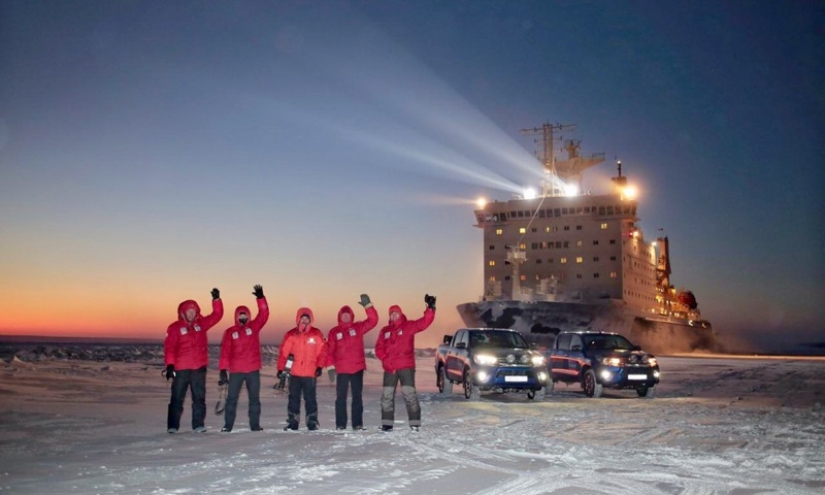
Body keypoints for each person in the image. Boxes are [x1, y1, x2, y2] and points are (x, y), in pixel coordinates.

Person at [163, 287, 224, 433]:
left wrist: (216, 300)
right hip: (181, 369)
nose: (191, 314)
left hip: (198, 368)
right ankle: (172, 426)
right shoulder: (174, 327)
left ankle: (198, 425)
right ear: (183, 312)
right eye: (188, 311)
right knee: (177, 398)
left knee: (199, 399)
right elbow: (169, 347)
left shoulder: (201, 325)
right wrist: (170, 365)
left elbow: (217, 315)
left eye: (193, 311)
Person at [375, 294, 436, 432]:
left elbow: (424, 322)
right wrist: (385, 358)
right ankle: (387, 424)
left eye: (396, 313)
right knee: (387, 396)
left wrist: (430, 308)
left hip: (405, 367)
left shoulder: (408, 326)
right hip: (389, 368)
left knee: (409, 395)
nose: (394, 316)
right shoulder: (385, 331)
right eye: (391, 314)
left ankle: (415, 423)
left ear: (401, 314)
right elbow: (379, 348)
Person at [217, 284, 269, 432]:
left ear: (248, 316)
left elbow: (263, 314)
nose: (243, 317)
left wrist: (261, 299)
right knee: (231, 399)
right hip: (236, 372)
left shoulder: (254, 327)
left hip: (252, 370)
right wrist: (222, 370)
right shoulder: (229, 332)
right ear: (236, 316)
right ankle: (228, 425)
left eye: (245, 315)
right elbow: (225, 352)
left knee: (254, 399)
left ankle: (255, 426)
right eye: (240, 315)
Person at [325, 294, 379, 430]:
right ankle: (340, 424)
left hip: (357, 368)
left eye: (348, 315)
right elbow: (329, 351)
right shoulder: (334, 332)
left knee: (357, 397)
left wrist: (368, 306)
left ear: (352, 316)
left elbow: (373, 321)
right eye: (343, 315)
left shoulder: (358, 327)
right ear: (339, 316)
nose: (346, 317)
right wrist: (330, 367)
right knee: (341, 398)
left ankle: (357, 424)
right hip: (342, 370)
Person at [276, 308, 327, 431]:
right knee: (293, 399)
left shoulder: (316, 334)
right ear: (298, 319)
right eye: (302, 318)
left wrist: (320, 366)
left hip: (310, 373)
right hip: (294, 373)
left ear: (310, 319)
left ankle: (312, 422)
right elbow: (283, 353)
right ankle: (293, 422)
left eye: (307, 318)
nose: (304, 320)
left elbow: (323, 352)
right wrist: (280, 369)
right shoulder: (291, 335)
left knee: (310, 399)